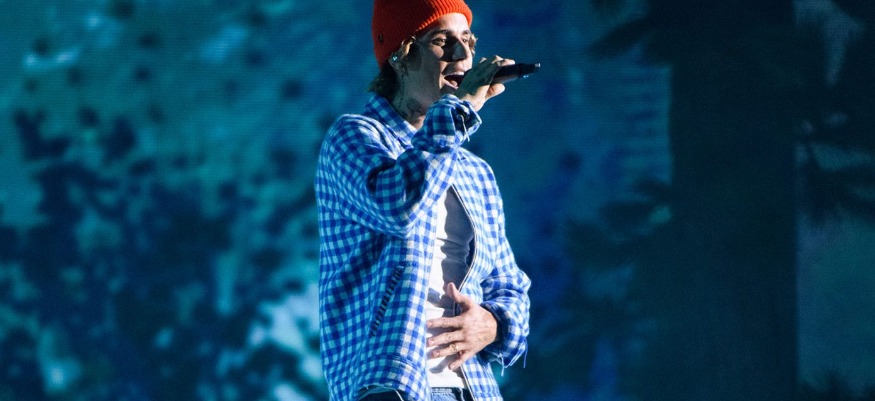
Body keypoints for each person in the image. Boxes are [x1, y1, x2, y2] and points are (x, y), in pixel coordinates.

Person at [314, 0, 531, 400]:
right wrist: (460, 108)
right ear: (401, 55)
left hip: (471, 388)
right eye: (442, 41)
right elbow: (400, 208)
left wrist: (493, 324)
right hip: (391, 383)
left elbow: (508, 285)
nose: (462, 54)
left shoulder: (474, 171)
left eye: (468, 40)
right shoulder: (355, 137)